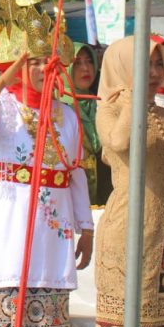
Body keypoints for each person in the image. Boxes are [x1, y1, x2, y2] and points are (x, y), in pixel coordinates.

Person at [0, 0, 92, 327]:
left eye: (46, 61)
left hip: (54, 229)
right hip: (9, 225)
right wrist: (2, 80)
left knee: (49, 324)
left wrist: (87, 228)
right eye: (32, 62)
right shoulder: (0, 105)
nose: (41, 68)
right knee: (10, 320)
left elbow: (74, 172)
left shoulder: (65, 114)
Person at [94, 35, 164, 327]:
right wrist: (131, 99)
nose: (155, 73)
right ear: (125, 68)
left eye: (158, 64)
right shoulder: (108, 111)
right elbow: (119, 143)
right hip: (127, 237)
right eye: (145, 65)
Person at [67, 42, 110, 206]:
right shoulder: (59, 109)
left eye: (89, 61)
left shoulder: (104, 103)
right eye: (77, 63)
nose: (85, 68)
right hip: (73, 197)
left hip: (105, 194)